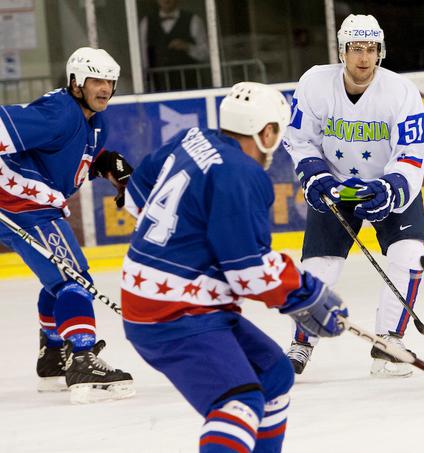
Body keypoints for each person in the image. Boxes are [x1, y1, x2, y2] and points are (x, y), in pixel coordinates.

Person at [121, 81, 347, 452]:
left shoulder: (191, 138)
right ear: (266, 132)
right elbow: (249, 271)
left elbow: (136, 195)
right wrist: (307, 294)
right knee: (237, 403)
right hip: (175, 312)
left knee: (273, 375)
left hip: (162, 297)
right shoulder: (242, 173)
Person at [282, 14, 424, 377]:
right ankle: (301, 343)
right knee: (320, 266)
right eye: (355, 48)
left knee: (408, 253)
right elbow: (299, 139)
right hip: (335, 186)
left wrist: (391, 188)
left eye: (371, 48)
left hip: (385, 184)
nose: (363, 57)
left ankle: (389, 343)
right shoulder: (315, 83)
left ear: (380, 51)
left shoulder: (402, 92)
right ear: (342, 51)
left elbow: (412, 152)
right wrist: (314, 176)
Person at [0, 47, 135, 403]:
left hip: (24, 206)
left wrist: (104, 164)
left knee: (60, 277)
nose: (104, 88)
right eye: (96, 80)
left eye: (109, 81)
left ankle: (52, 354)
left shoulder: (94, 120)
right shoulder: (60, 111)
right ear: (76, 82)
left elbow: (63, 158)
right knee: (73, 277)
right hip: (24, 205)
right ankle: (82, 356)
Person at [139, 0, 209, 91]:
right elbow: (142, 56)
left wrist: (188, 47)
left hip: (190, 86)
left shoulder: (193, 20)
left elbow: (206, 54)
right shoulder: (146, 22)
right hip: (159, 87)